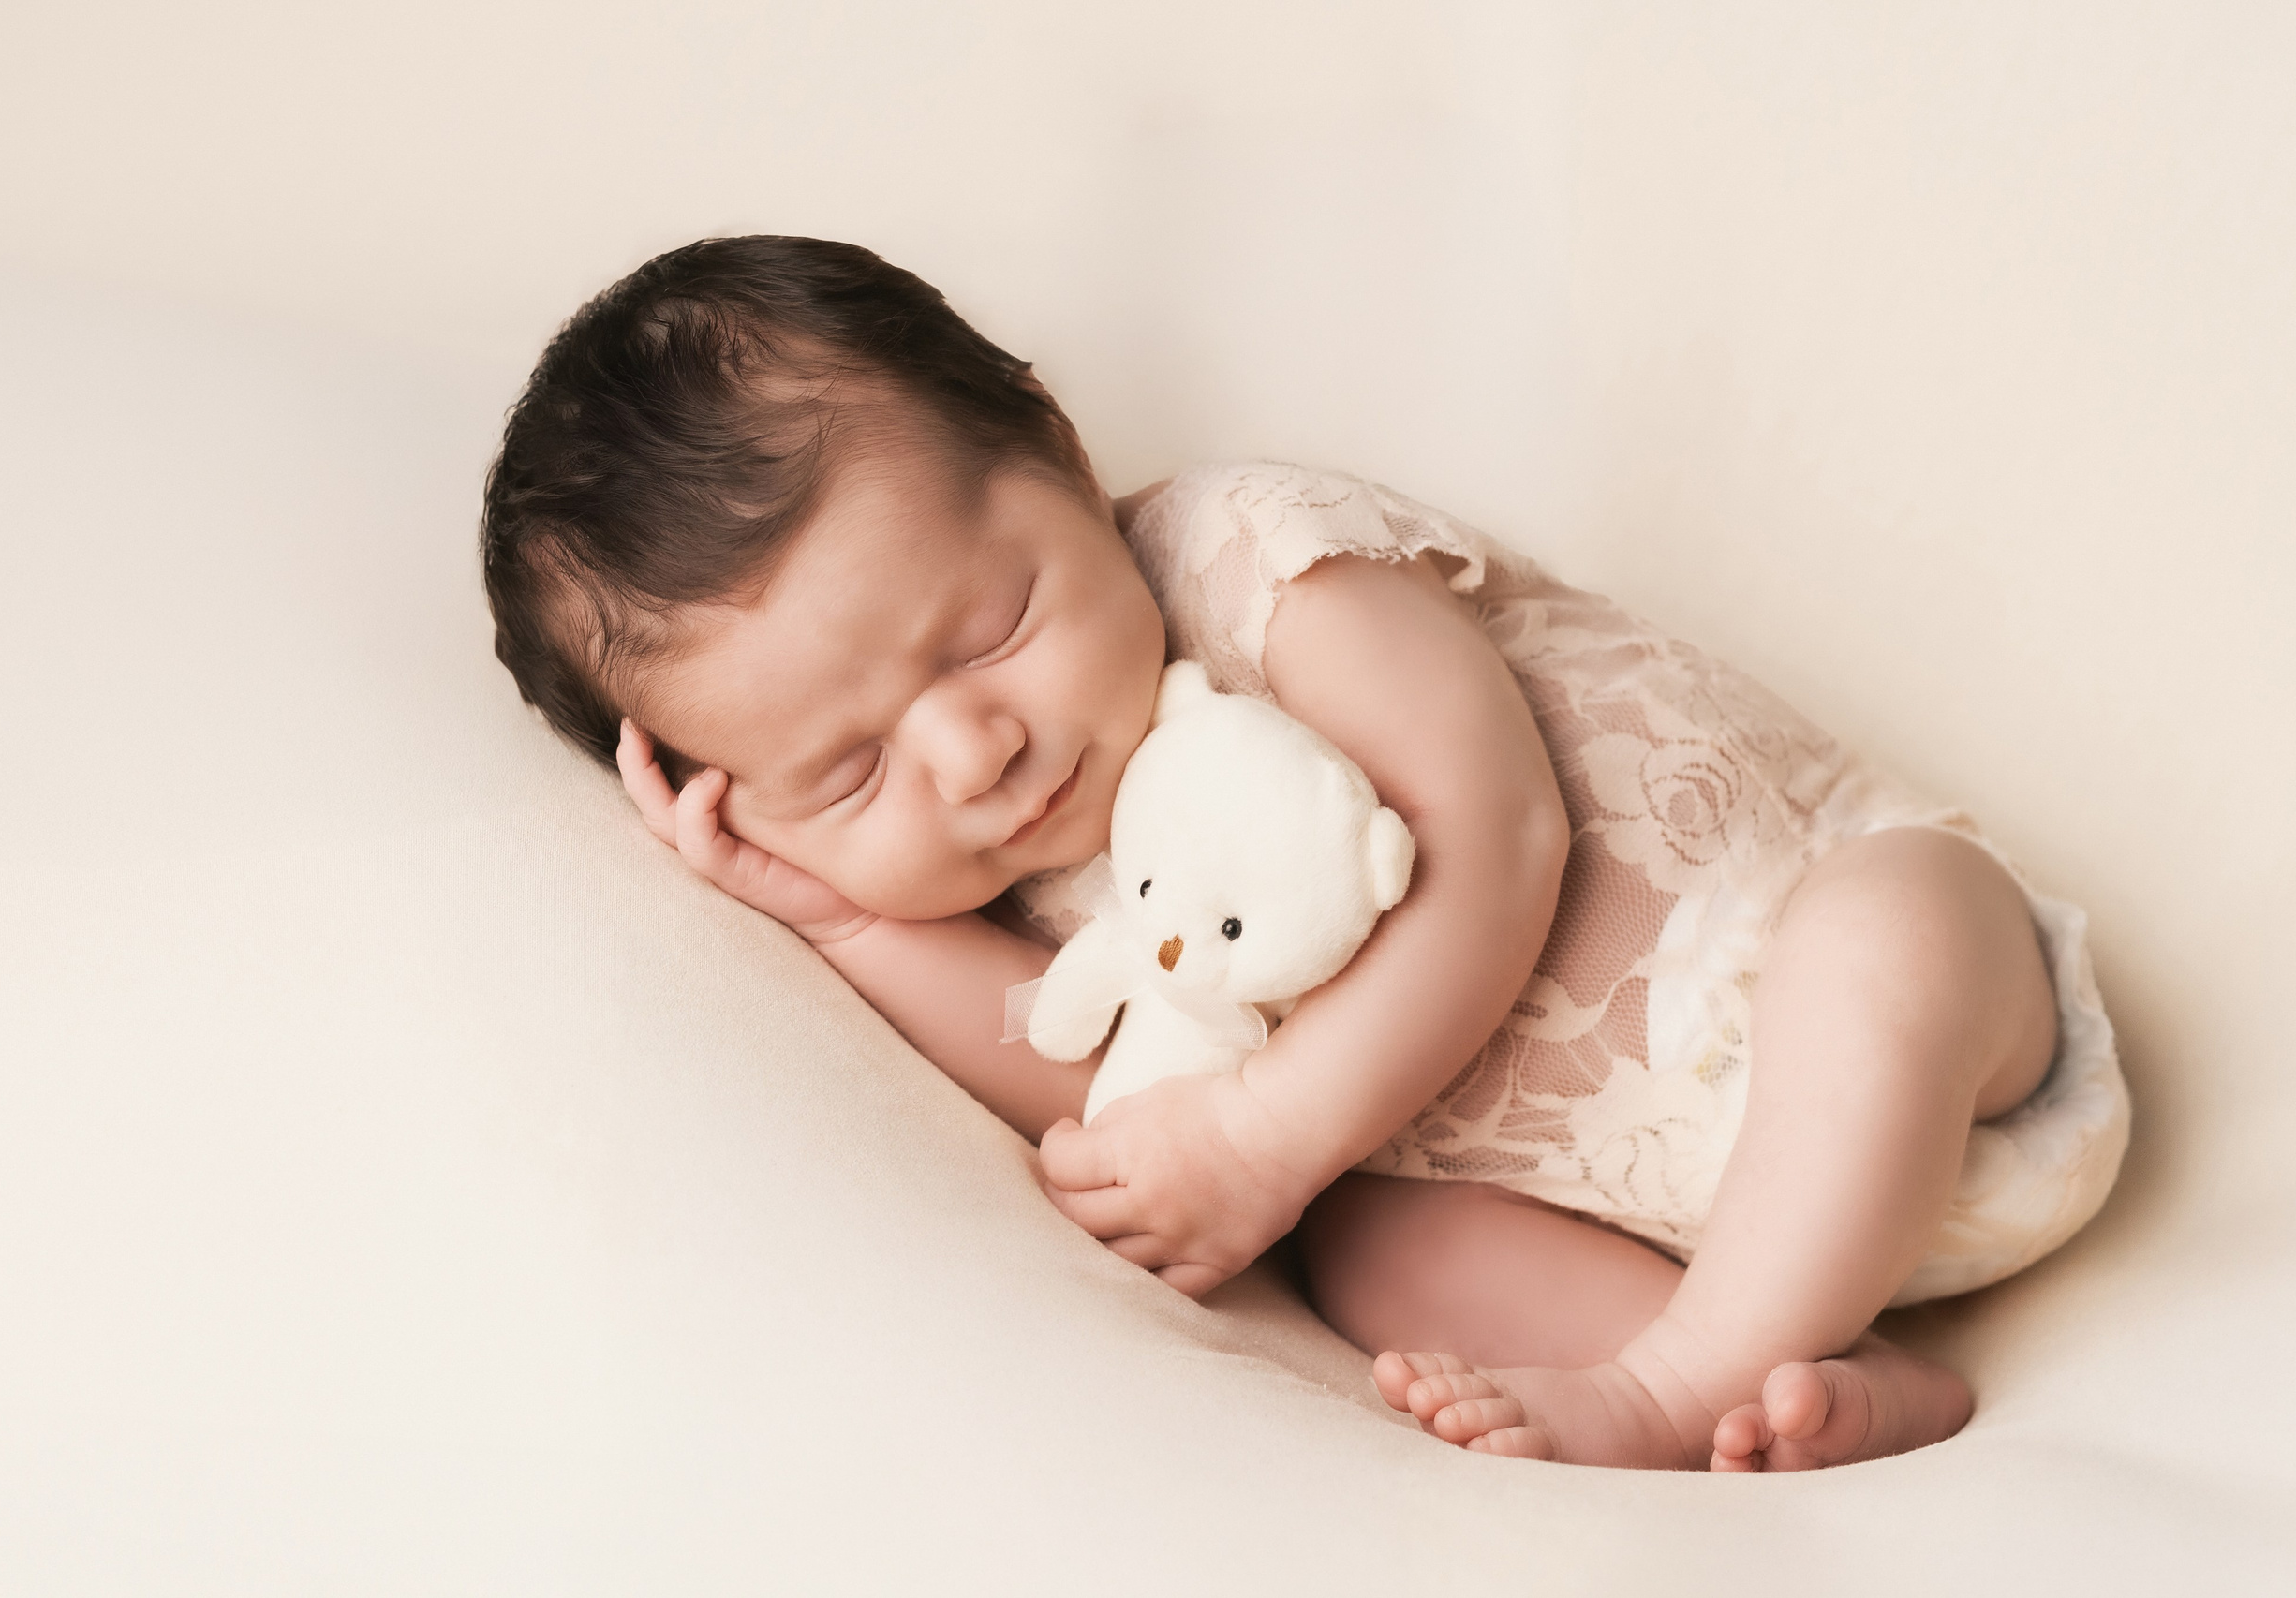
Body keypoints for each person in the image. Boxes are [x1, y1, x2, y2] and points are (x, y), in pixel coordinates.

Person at [479, 235, 2128, 1470]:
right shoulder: (1026, 891)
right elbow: (1119, 1102)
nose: (971, 752)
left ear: (1054, 451)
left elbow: (1504, 835)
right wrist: (843, 924)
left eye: (988, 628)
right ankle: (1803, 1378)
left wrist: (1272, 1130)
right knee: (1369, 1245)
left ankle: (1671, 1388)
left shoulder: (1260, 565)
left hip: (1955, 1053)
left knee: (1886, 928)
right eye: (847, 773)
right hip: (1715, 1234)